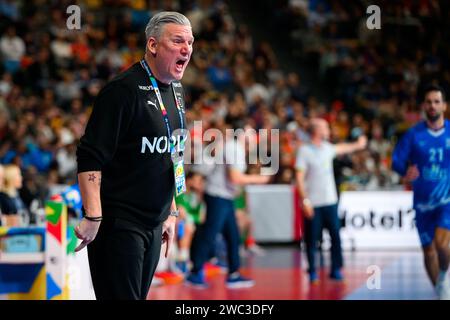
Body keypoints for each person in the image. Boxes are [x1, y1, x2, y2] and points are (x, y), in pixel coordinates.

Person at [74, 11, 194, 300]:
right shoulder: (121, 91)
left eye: (190, 42)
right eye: (178, 41)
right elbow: (90, 155)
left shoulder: (176, 91)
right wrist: (93, 214)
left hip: (155, 223)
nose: (187, 49)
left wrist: (172, 210)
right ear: (153, 45)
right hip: (120, 223)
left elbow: (174, 154)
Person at [186, 123, 270, 288]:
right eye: (251, 135)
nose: (254, 138)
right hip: (217, 196)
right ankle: (195, 273)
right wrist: (259, 179)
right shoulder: (234, 148)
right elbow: (235, 177)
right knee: (209, 234)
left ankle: (234, 273)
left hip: (224, 196)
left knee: (232, 236)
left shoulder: (235, 148)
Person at [392, 85, 450, 300]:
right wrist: (404, 170)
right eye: (429, 102)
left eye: (437, 101)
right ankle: (440, 292)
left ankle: (444, 276)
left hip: (447, 200)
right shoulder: (413, 134)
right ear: (424, 106)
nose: (433, 105)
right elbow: (396, 160)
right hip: (422, 202)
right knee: (427, 251)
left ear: (444, 106)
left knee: (442, 244)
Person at [295, 118, 367, 283]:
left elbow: (345, 148)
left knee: (335, 236)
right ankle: (312, 270)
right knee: (312, 239)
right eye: (325, 127)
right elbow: (299, 179)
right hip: (313, 203)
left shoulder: (328, 149)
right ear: (316, 131)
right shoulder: (304, 151)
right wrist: (305, 201)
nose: (328, 129)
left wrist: (359, 143)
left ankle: (336, 269)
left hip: (330, 201)